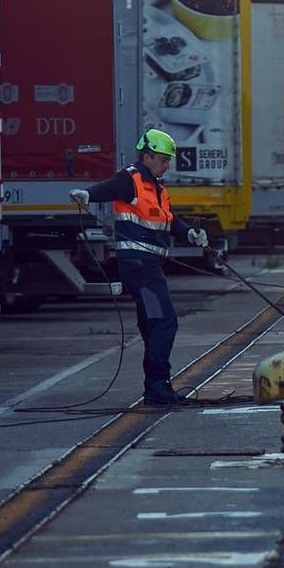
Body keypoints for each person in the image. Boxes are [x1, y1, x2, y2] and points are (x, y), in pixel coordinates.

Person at [70, 128, 208, 405]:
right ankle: (158, 387)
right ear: (148, 156)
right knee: (163, 322)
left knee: (152, 323)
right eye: (164, 159)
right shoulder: (130, 178)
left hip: (150, 266)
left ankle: (155, 387)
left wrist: (190, 234)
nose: (167, 164)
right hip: (138, 267)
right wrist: (87, 194)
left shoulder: (157, 188)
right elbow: (108, 188)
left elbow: (168, 220)